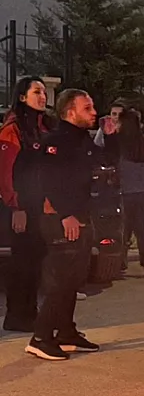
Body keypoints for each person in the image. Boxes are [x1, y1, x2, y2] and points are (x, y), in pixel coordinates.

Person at [25, 89, 101, 360]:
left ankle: (66, 332)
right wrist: (65, 213)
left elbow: (103, 163)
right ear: (70, 112)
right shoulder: (56, 140)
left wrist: (113, 138)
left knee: (74, 277)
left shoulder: (82, 139)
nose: (94, 112)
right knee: (61, 279)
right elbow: (48, 180)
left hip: (79, 215)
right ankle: (41, 337)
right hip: (61, 219)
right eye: (87, 108)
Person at [0, 76, 50, 332]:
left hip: (40, 206)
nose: (43, 96)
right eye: (36, 92)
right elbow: (6, 173)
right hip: (21, 208)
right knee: (22, 263)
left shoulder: (43, 126)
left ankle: (31, 312)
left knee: (36, 261)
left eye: (43, 91)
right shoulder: (12, 129)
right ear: (22, 97)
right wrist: (16, 206)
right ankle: (17, 316)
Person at [115, 108, 144, 276]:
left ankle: (119, 262)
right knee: (143, 227)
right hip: (143, 191)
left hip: (122, 190)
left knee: (122, 227)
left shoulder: (118, 141)